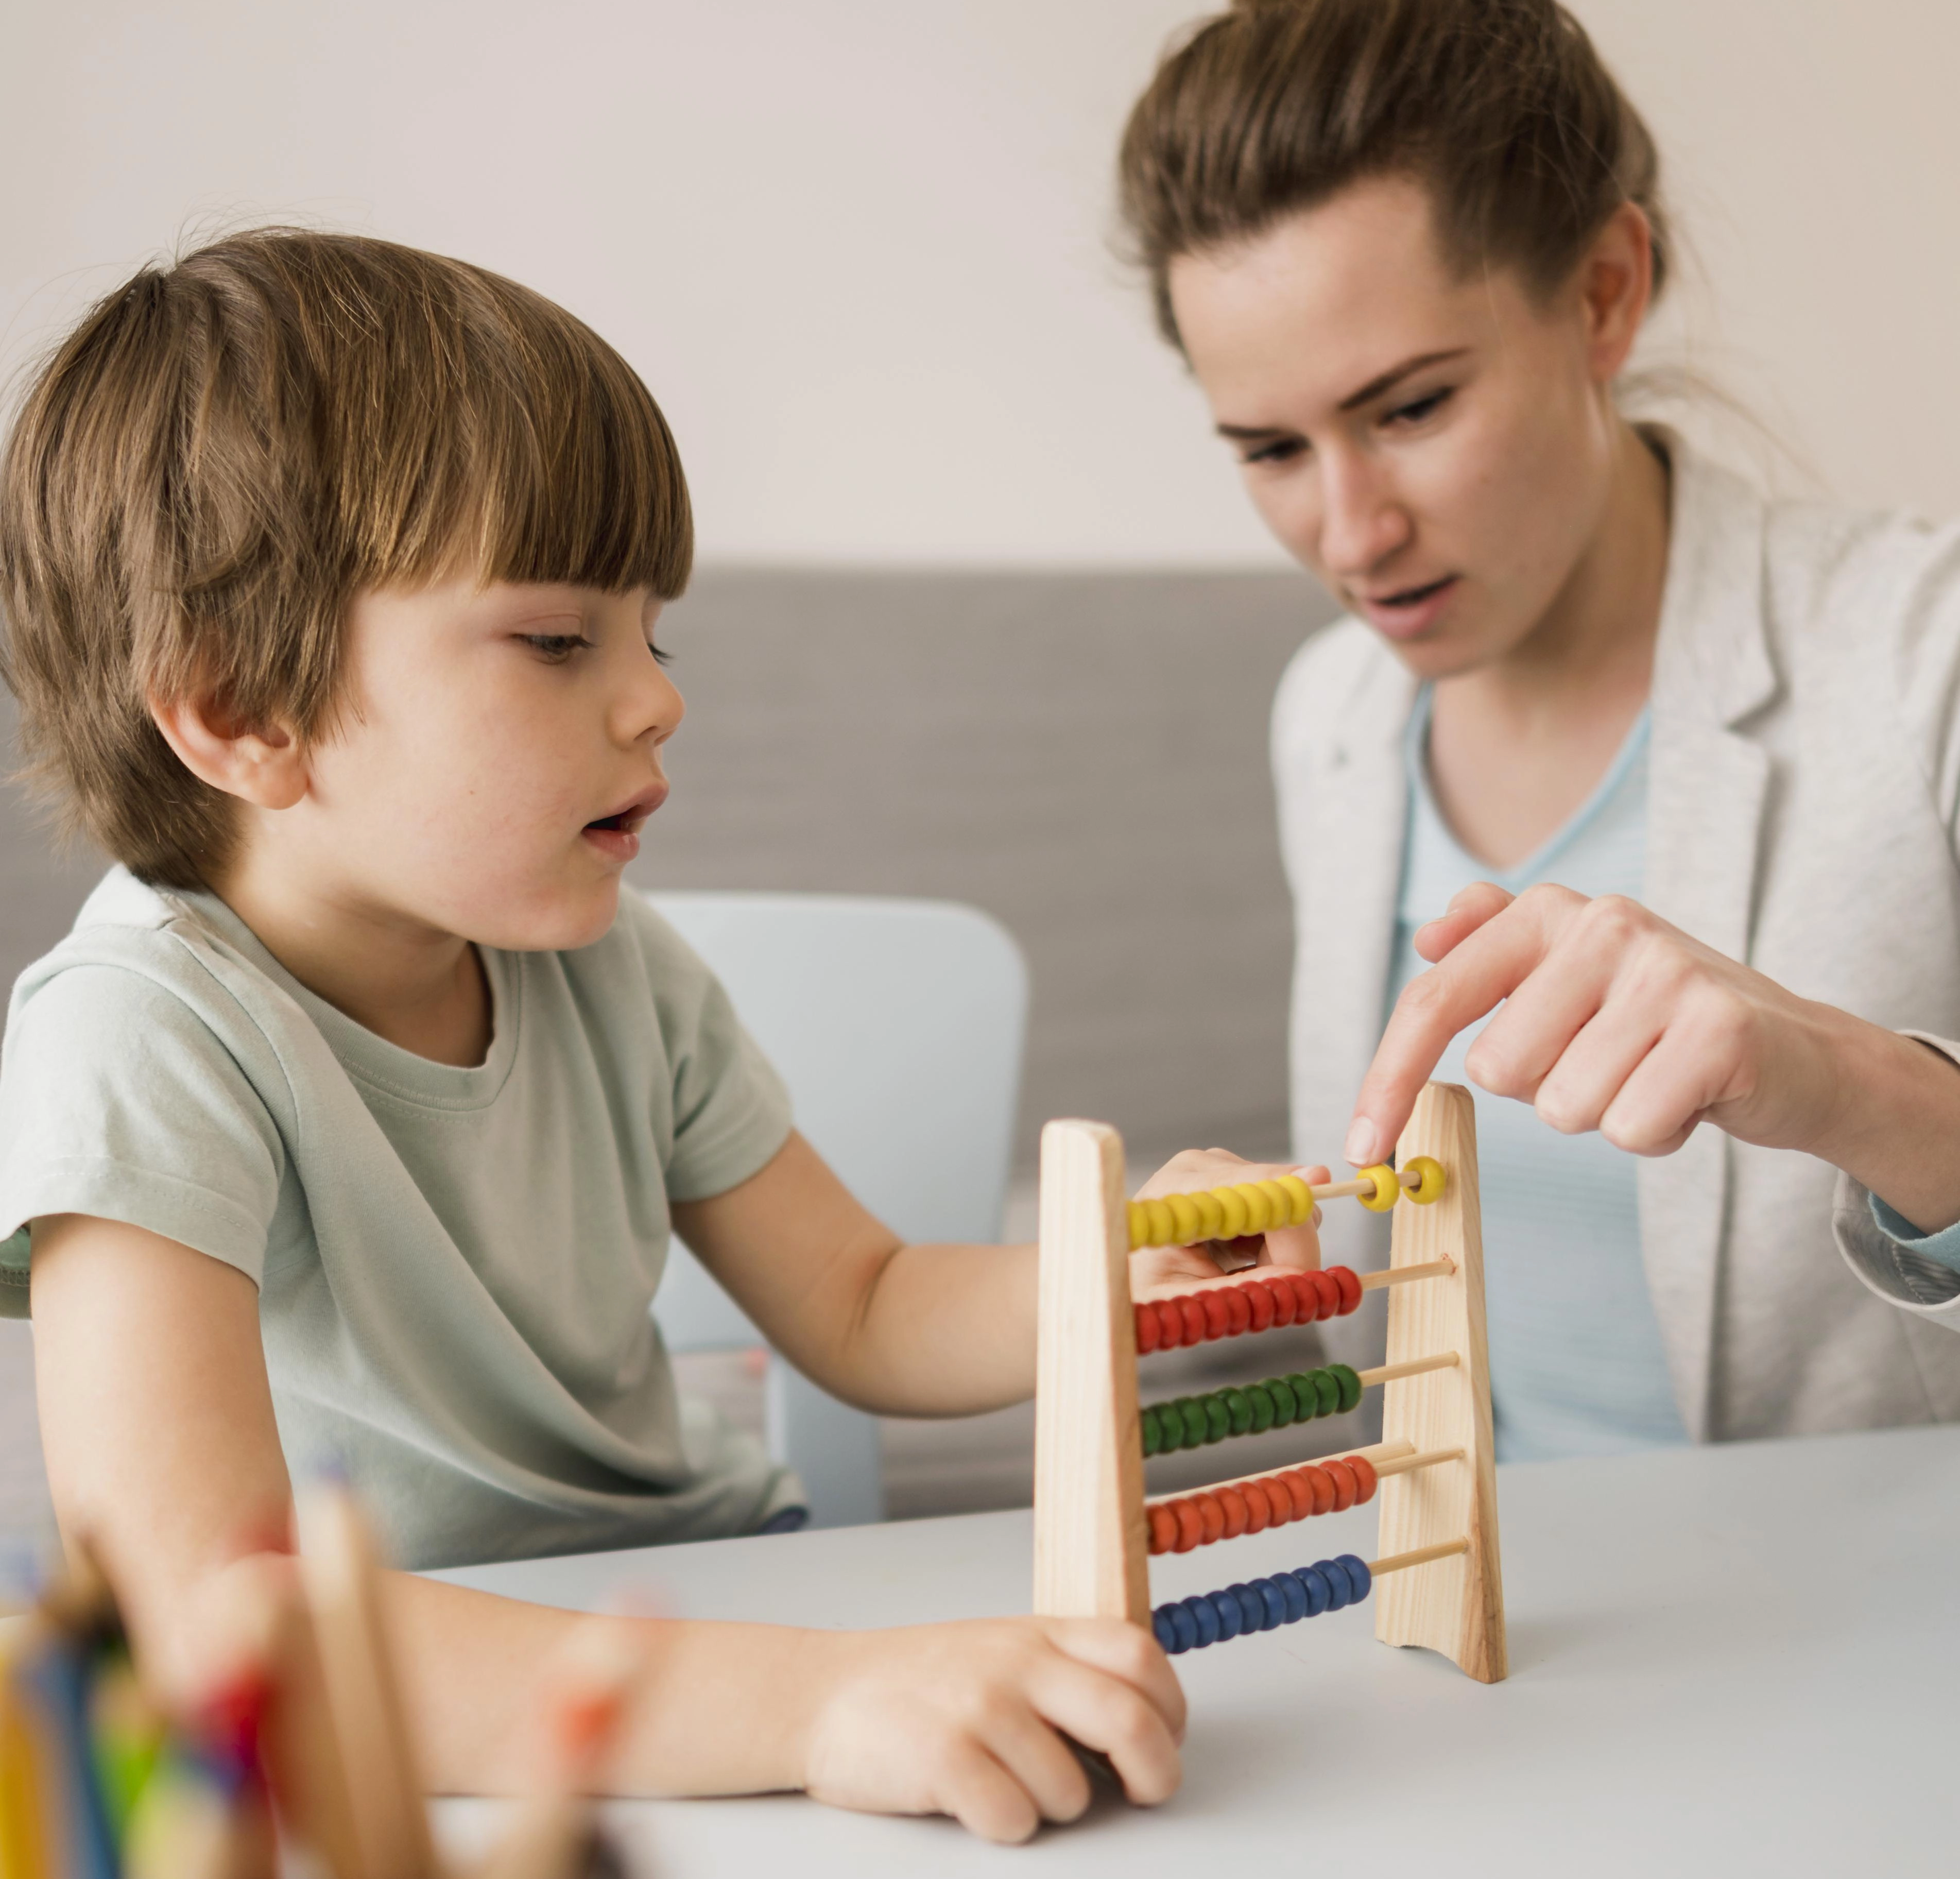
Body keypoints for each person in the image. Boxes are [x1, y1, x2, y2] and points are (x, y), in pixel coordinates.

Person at [0, 229, 1208, 1842]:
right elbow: (208, 1612)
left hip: (703, 1603)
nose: (656, 700)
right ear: (240, 713)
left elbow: (862, 1301)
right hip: (432, 1733)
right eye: (562, 641)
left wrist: (1107, 1282)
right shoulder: (140, 1037)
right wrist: (821, 1698)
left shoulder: (614, 966)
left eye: (656, 634)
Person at [1115, 0, 1960, 1458]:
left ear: (1603, 293)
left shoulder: (1921, 654)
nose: (1349, 532)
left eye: (1412, 407)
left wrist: (1850, 1085)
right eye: (1268, 450)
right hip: (1480, 1629)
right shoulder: (1331, 715)